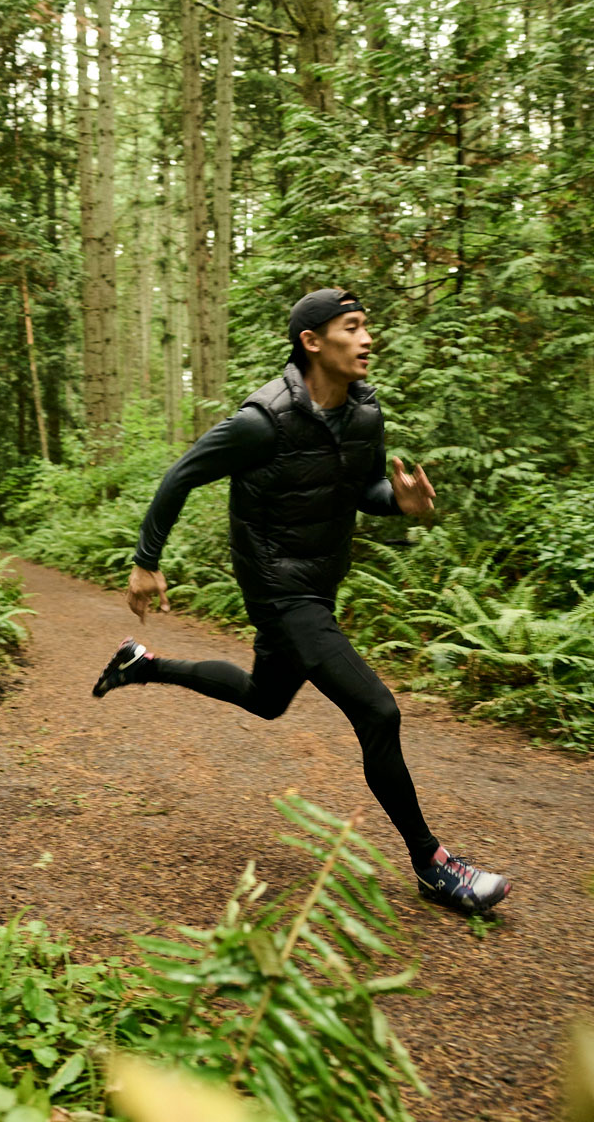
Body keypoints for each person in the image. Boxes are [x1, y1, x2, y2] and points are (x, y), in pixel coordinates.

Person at [91, 287, 511, 916]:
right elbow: (181, 474)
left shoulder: (365, 413)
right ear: (312, 341)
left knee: (267, 699)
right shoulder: (263, 420)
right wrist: (145, 562)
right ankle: (433, 864)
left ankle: (142, 664)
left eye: (367, 326)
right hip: (279, 588)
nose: (366, 339)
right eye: (352, 327)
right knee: (378, 711)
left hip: (318, 582)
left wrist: (402, 503)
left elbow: (360, 487)